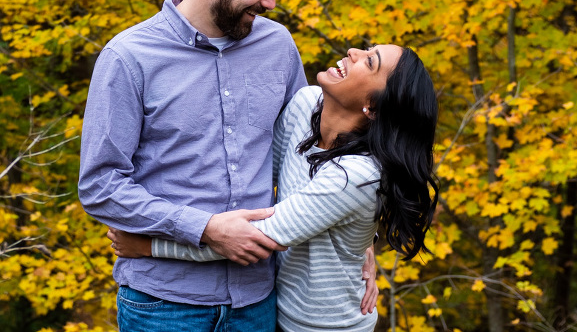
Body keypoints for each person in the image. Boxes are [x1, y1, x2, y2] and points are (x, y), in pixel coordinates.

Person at [78, 0, 311, 331]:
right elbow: (100, 186)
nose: (271, 2)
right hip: (163, 307)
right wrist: (204, 228)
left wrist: (356, 243)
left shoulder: (278, 45)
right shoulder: (129, 58)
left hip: (259, 301)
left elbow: (308, 154)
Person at [108, 44, 440, 331]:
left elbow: (252, 238)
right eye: (366, 50)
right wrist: (363, 239)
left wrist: (149, 247)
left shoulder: (354, 176)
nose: (353, 52)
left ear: (374, 107)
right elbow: (257, 183)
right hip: (270, 308)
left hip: (325, 327)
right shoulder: (305, 104)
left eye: (370, 62)